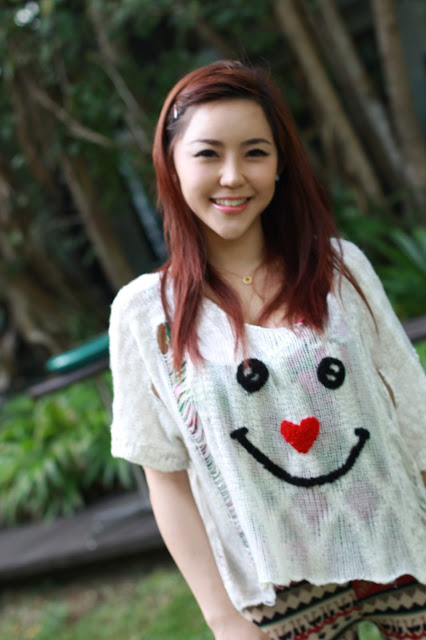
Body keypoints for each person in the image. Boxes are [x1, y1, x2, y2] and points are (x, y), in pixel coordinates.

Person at [109, 60, 426, 639]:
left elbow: (413, 408)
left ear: (279, 164)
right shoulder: (146, 314)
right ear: (171, 163)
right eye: (208, 154)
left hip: (400, 541)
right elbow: (165, 475)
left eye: (255, 152)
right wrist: (222, 618)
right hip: (275, 584)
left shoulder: (339, 269)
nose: (233, 176)